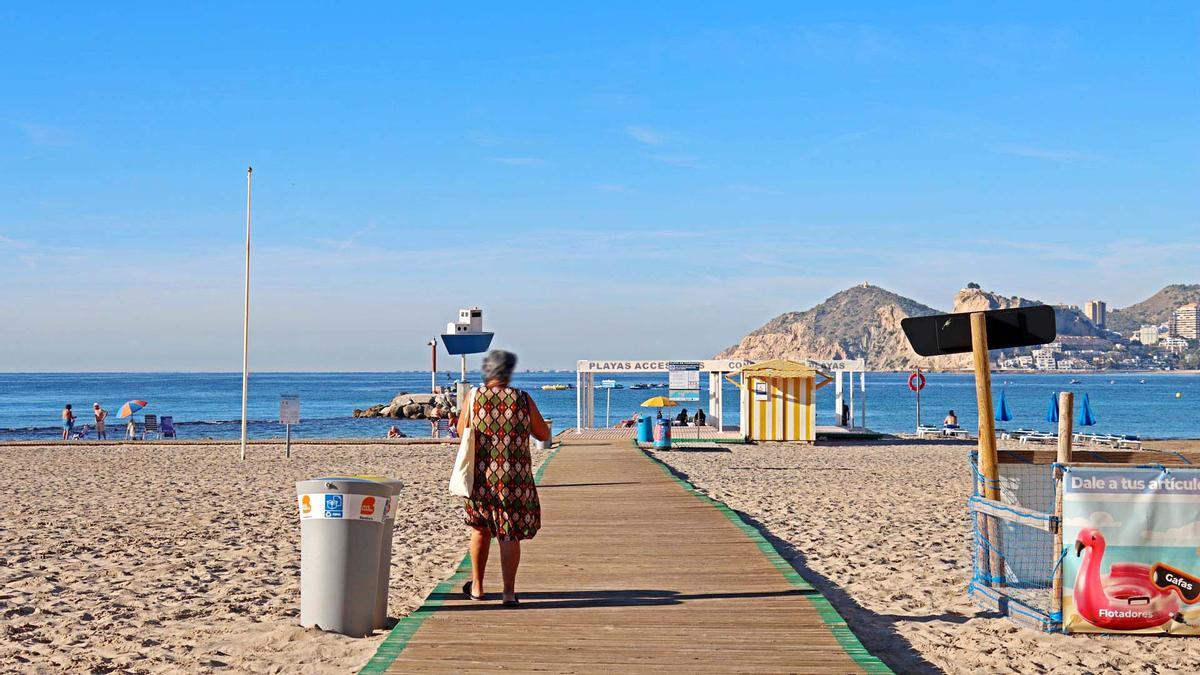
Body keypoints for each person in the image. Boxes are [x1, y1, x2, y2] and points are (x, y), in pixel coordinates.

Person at [457, 350, 550, 606]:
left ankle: (477, 587)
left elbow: (461, 431)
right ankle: (508, 593)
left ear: (487, 371)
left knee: (480, 529)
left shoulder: (473, 397)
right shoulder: (521, 399)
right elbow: (543, 434)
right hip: (513, 478)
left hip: (479, 477)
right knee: (509, 533)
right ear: (508, 372)